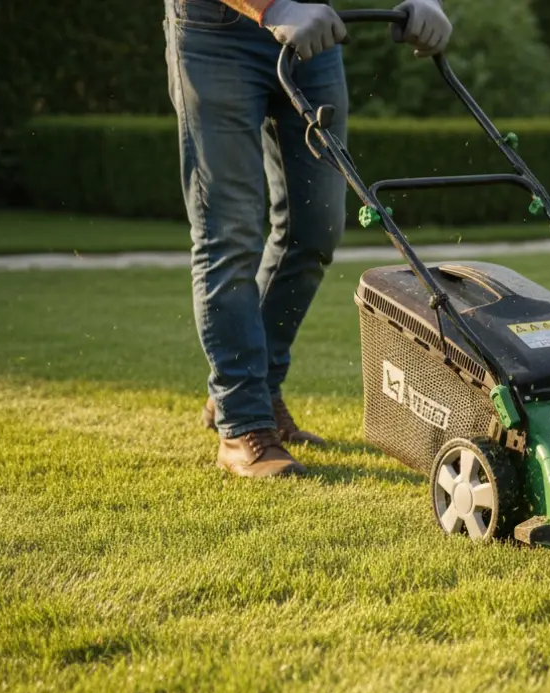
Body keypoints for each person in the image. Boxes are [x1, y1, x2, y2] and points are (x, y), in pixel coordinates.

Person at [163, 0, 452, 478]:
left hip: (315, 36)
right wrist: (271, 7)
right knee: (229, 234)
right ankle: (243, 423)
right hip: (215, 34)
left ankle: (251, 391)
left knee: (315, 230)